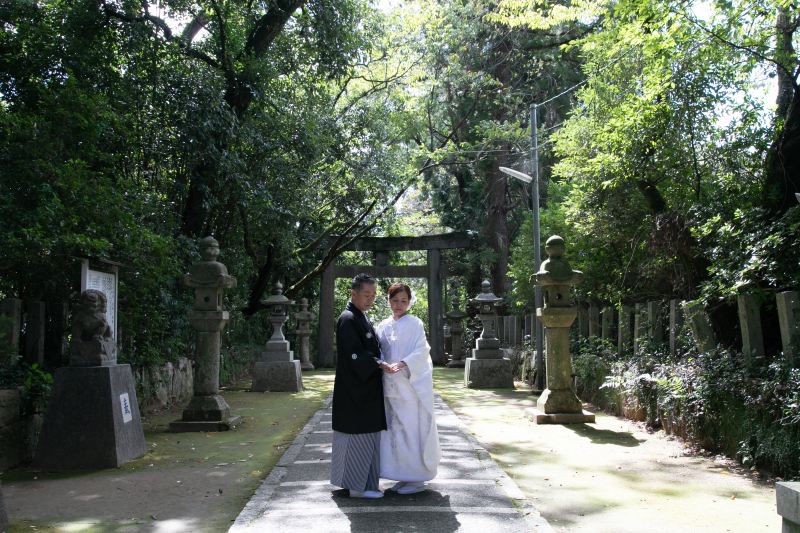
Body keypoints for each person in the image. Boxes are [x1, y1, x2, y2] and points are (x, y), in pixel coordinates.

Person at [330, 273, 396, 499]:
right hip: (354, 390)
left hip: (364, 388)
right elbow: (353, 354)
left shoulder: (361, 317)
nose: (370, 299)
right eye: (366, 294)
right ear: (353, 293)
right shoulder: (348, 319)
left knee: (367, 436)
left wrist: (378, 363)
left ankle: (366, 485)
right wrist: (378, 363)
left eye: (374, 295)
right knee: (356, 436)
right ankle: (357, 487)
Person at [376, 283, 441, 495]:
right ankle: (402, 475)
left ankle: (417, 478)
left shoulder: (415, 323)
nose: (399, 304)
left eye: (404, 301)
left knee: (411, 431)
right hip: (389, 384)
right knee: (395, 432)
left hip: (410, 386)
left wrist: (403, 363)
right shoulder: (382, 326)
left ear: (409, 302)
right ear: (388, 300)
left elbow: (423, 350)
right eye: (395, 300)